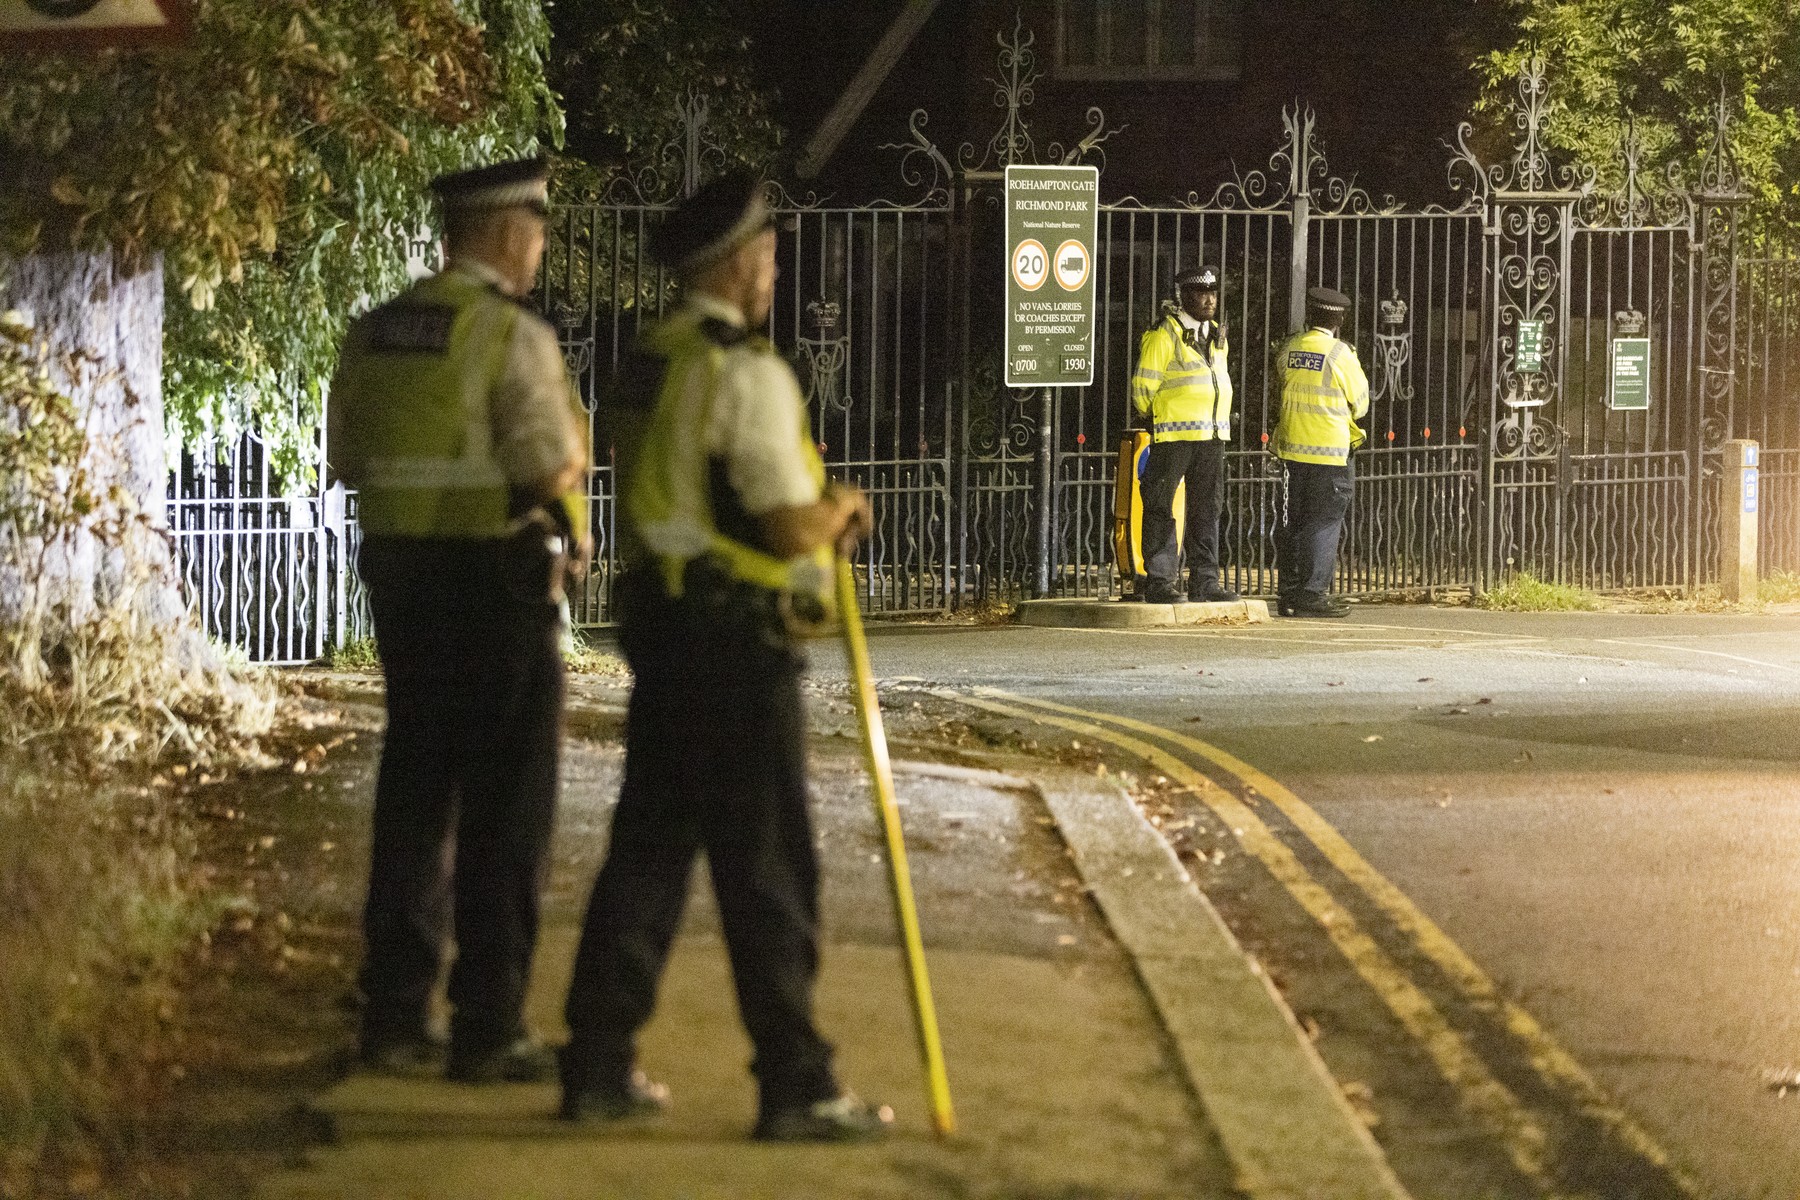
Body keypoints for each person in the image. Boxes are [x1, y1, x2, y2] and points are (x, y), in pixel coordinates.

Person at [558, 172, 892, 1143]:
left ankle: (597, 1060)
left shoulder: (651, 360)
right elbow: (789, 523)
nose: (777, 270)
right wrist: (843, 512)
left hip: (664, 633)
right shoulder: (747, 371)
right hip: (738, 647)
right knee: (769, 868)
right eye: (772, 255)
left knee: (649, 855)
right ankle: (796, 1082)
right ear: (739, 263)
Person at [326, 156, 590, 1083]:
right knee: (504, 811)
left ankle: (394, 1015)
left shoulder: (373, 331)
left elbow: (349, 455)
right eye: (539, 228)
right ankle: (490, 1025)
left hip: (400, 581)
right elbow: (551, 465)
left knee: (414, 792)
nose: (541, 246)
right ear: (505, 232)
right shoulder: (508, 335)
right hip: (497, 586)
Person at [1130, 264, 1239, 604]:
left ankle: (1205, 581)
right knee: (1161, 505)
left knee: (1208, 508)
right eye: (1200, 293)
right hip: (1174, 434)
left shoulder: (1217, 335)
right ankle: (1160, 580)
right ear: (1183, 296)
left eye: (1213, 293)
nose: (1209, 300)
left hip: (1212, 434)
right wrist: (1158, 417)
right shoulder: (1165, 334)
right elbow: (1142, 387)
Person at [1273, 285, 1369, 618]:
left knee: (1291, 523)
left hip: (1291, 451)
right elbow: (1360, 405)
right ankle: (1312, 593)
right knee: (1324, 524)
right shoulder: (1341, 354)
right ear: (1340, 319)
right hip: (1329, 453)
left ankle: (1288, 592)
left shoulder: (1289, 348)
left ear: (1311, 314)